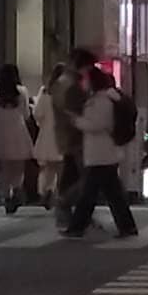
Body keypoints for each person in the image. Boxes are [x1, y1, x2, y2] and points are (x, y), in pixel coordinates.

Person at [64, 66, 138, 238]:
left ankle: (77, 227)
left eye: (86, 80)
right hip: (105, 153)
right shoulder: (105, 99)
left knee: (89, 195)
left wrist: (76, 121)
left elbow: (96, 124)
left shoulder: (101, 101)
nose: (84, 83)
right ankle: (126, 227)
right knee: (111, 195)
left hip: (101, 153)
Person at [52, 48, 96, 224]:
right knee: (87, 178)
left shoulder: (64, 82)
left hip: (69, 136)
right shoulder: (71, 86)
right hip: (76, 137)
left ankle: (73, 213)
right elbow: (74, 112)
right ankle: (65, 205)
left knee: (71, 176)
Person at [0, 64, 34, 214]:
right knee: (18, 168)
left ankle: (6, 195)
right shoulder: (22, 91)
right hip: (19, 131)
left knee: (5, 168)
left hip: (1, 133)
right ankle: (17, 191)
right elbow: (26, 115)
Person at [31, 65, 64, 206]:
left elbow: (37, 113)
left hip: (46, 135)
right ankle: (57, 193)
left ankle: (44, 191)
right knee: (61, 168)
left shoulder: (45, 92)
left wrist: (41, 123)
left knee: (46, 169)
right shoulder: (66, 92)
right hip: (62, 135)